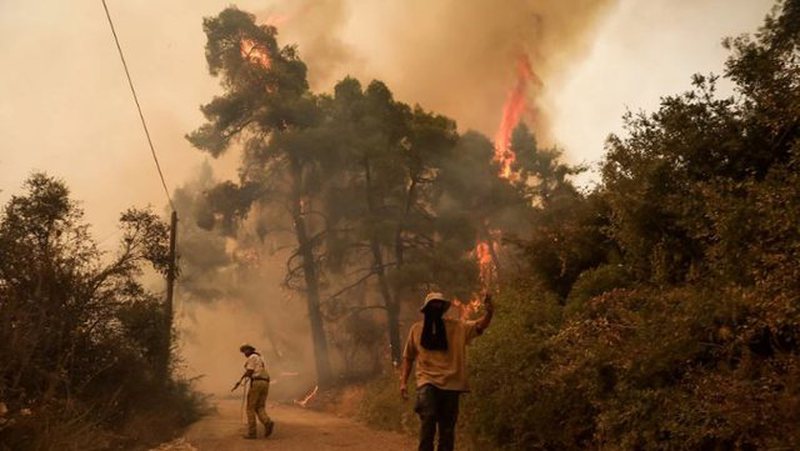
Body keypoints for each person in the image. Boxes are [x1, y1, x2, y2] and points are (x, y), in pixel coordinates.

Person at [400, 291, 494, 451]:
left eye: (439, 305)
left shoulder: (456, 327)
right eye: (433, 305)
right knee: (428, 418)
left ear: (443, 309)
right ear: (426, 309)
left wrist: (489, 311)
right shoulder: (416, 330)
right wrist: (403, 383)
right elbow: (408, 357)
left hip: (452, 383)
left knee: (447, 429)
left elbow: (479, 325)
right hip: (427, 381)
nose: (436, 308)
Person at [232, 343, 274, 439]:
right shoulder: (260, 357)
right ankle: (267, 422)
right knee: (260, 406)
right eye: (243, 352)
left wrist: (240, 380)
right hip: (265, 382)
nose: (244, 353)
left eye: (245, 350)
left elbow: (249, 371)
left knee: (250, 408)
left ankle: (252, 433)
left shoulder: (252, 357)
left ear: (250, 350)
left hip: (257, 383)